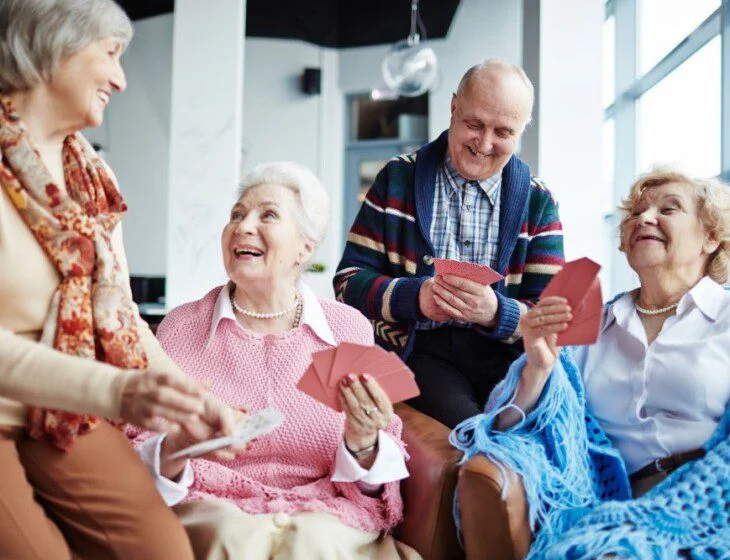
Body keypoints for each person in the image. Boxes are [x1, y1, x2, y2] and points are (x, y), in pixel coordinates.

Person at [0, 1, 244, 558]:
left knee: (164, 551)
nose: (121, 78)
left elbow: (123, 316)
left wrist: (193, 399)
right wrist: (116, 389)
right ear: (53, 44)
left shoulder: (91, 176)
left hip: (60, 412)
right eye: (110, 54)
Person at [131, 162, 418, 560]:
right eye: (236, 215)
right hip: (213, 513)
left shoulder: (347, 328)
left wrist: (363, 443)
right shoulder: (181, 326)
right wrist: (180, 445)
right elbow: (144, 457)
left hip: (325, 518)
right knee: (233, 537)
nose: (243, 226)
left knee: (313, 542)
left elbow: (374, 490)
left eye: (267, 215)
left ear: (306, 247)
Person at [452, 166, 730, 558]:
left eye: (669, 209)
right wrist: (538, 369)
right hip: (602, 506)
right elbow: (507, 428)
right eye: (637, 212)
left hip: (703, 506)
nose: (644, 218)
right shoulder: (589, 325)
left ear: (711, 236)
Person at [334, 58, 565, 428]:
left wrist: (496, 312)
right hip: (422, 354)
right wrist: (416, 297)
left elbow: (553, 319)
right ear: (454, 106)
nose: (484, 144)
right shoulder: (397, 178)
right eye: (474, 124)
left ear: (523, 130)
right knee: (473, 431)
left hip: (510, 359)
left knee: (546, 429)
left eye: (503, 132)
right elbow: (346, 284)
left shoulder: (539, 202)